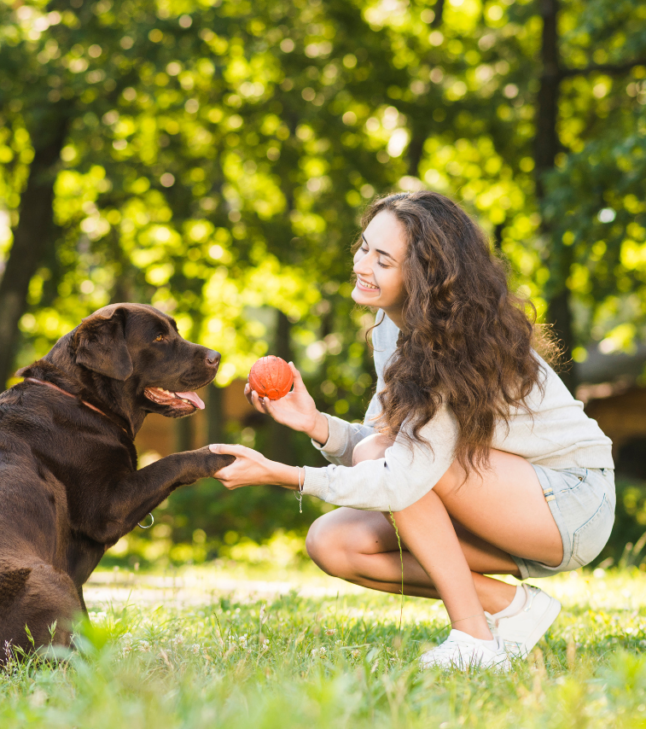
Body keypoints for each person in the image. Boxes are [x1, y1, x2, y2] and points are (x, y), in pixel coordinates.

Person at [209, 191, 615, 670]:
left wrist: (287, 475)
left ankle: (474, 638)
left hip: (571, 499)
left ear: (424, 276)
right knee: (333, 542)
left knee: (389, 460)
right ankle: (514, 608)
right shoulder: (392, 327)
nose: (362, 264)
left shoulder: (452, 349)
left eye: (383, 259)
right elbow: (385, 446)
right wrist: (317, 426)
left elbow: (400, 474)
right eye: (363, 247)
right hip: (501, 495)